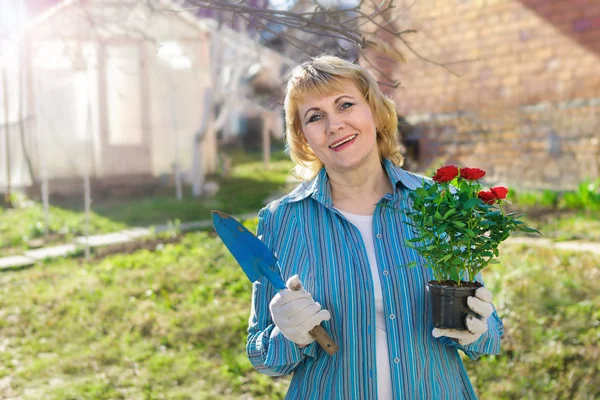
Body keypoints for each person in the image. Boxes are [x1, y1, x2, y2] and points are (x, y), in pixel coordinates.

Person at [246, 55, 504, 399]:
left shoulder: (438, 204)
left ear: (374, 111)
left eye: (345, 105)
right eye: (315, 117)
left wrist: (479, 328)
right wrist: (287, 334)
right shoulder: (283, 220)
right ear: (303, 137)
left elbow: (490, 339)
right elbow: (263, 357)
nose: (334, 125)